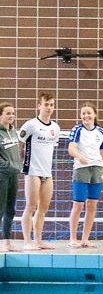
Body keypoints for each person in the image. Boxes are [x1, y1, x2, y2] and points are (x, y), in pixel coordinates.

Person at [19, 93, 58, 250]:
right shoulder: (31, 125)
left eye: (51, 105)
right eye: (46, 104)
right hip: (32, 171)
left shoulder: (55, 128)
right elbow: (19, 144)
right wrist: (21, 163)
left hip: (47, 173)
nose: (49, 108)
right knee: (31, 205)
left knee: (43, 208)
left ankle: (38, 240)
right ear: (39, 106)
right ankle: (27, 241)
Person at [67, 103, 103, 248]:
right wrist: (80, 157)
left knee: (92, 204)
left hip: (97, 169)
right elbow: (71, 149)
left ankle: (85, 238)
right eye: (83, 113)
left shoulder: (101, 132)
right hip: (81, 168)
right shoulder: (77, 130)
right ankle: (73, 238)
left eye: (89, 113)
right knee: (78, 204)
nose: (86, 116)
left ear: (94, 114)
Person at [0, 103, 18, 252]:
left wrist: (17, 166)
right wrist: (6, 165)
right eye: (8, 113)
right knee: (0, 209)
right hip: (2, 175)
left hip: (13, 174)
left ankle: (7, 241)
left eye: (12, 113)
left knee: (10, 209)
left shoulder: (13, 131)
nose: (11, 116)